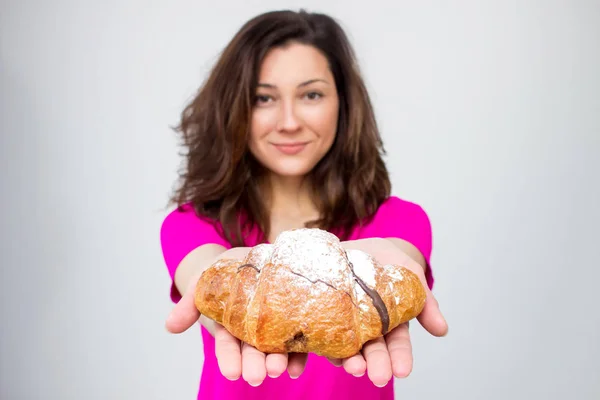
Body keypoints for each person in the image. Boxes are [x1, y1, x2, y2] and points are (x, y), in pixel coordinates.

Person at [160, 9, 448, 400]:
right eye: (264, 98)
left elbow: (398, 259)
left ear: (343, 105)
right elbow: (205, 270)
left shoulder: (400, 219)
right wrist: (215, 281)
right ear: (235, 110)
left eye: (311, 94)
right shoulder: (192, 222)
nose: (289, 121)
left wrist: (350, 266)